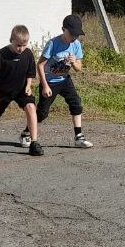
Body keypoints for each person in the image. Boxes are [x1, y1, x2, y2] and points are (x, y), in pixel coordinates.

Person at [27, 14, 93, 148]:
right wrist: (45, 86)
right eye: (72, 34)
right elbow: (40, 65)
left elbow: (79, 68)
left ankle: (79, 137)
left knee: (76, 103)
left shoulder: (76, 44)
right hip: (50, 82)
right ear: (64, 29)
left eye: (77, 35)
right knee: (42, 113)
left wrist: (74, 62)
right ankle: (26, 133)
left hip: (65, 80)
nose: (74, 37)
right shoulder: (53, 43)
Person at [0, 25, 42, 156]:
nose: (21, 48)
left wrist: (28, 85)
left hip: (21, 89)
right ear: (11, 39)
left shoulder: (28, 54)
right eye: (18, 45)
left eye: (24, 45)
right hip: (2, 90)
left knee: (31, 107)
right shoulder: (2, 54)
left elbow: (30, 73)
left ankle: (34, 142)